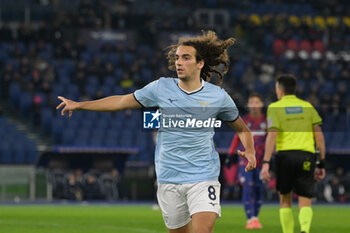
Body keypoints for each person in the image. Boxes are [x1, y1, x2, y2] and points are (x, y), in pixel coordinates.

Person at [57, 30, 256, 233]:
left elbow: (242, 129)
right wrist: (80, 105)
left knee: (203, 230)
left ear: (200, 63)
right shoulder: (161, 88)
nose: (179, 62)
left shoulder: (218, 96)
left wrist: (249, 149)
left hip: (203, 176)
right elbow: (121, 101)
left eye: (186, 58)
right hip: (169, 177)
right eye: (177, 57)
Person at [260, 74, 326, 233]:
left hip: (285, 156)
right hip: (306, 155)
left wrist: (266, 162)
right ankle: (304, 230)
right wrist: (321, 163)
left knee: (285, 200)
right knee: (305, 200)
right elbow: (319, 136)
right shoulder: (307, 106)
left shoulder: (275, 107)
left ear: (280, 90)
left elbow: (272, 134)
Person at [225, 93, 266, 229]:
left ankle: (256, 218)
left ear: (261, 105)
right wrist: (230, 155)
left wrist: (270, 159)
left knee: (259, 189)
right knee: (248, 187)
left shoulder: (266, 122)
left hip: (260, 162)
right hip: (245, 161)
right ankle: (250, 219)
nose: (253, 105)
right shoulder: (244, 121)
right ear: (248, 105)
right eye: (251, 102)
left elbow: (271, 140)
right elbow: (237, 138)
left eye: (256, 102)